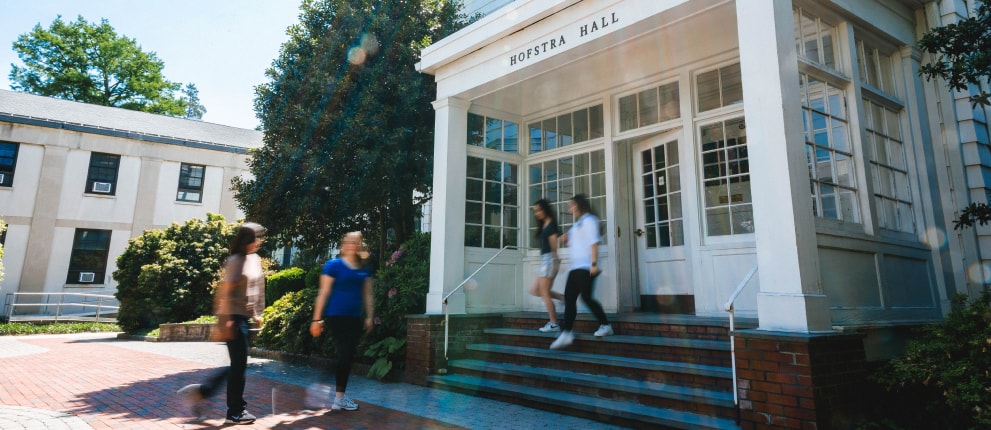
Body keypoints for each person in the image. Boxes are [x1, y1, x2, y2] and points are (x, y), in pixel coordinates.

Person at [178, 222, 267, 424]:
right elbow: (224, 292)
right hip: (232, 318)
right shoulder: (236, 260)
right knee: (239, 364)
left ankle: (203, 392)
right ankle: (235, 411)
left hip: (243, 318)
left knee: (238, 364)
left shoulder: (254, 260)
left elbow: (254, 290)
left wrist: (256, 313)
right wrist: (224, 321)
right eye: (256, 237)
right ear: (247, 240)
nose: (259, 241)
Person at [309, 231, 375, 412]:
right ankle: (335, 396)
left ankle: (338, 396)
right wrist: (316, 319)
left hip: (355, 317)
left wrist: (369, 316)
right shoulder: (333, 265)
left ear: (359, 246)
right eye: (348, 242)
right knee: (345, 354)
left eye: (355, 242)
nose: (352, 245)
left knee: (347, 356)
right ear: (343, 245)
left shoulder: (364, 268)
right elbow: (323, 293)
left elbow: (368, 294)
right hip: (337, 316)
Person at [550, 195, 613, 350]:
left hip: (586, 266)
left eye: (571, 205)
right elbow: (577, 243)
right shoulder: (579, 223)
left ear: (578, 205)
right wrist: (566, 238)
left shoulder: (590, 220)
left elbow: (594, 244)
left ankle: (606, 325)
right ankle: (566, 333)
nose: (569, 208)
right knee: (570, 299)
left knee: (586, 298)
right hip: (575, 267)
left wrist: (593, 264)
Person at [528, 199, 564, 332]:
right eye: (535, 211)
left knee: (544, 292)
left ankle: (554, 323)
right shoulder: (544, 224)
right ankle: (562, 297)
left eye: (539, 210)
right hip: (545, 260)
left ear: (545, 209)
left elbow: (554, 245)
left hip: (550, 260)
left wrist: (556, 260)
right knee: (534, 290)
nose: (537, 213)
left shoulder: (551, 224)